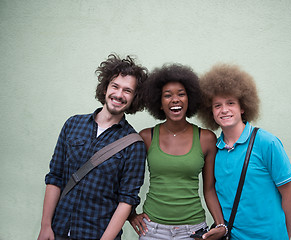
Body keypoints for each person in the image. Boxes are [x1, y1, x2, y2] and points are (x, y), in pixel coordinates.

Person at [37, 53, 148, 240]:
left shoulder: (134, 144)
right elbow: (55, 177)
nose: (119, 95)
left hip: (97, 234)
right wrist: (46, 226)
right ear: (105, 88)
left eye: (127, 91)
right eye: (115, 86)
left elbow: (126, 200)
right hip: (58, 230)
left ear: (134, 97)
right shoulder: (73, 124)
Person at [197, 64, 291, 240]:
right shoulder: (216, 150)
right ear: (211, 112)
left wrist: (284, 236)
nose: (224, 110)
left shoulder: (267, 143)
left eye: (231, 103)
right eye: (217, 105)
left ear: (242, 107)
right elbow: (211, 190)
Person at [128, 64, 227, 240]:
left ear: (190, 99)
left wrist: (220, 225)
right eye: (168, 95)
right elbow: (127, 182)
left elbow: (210, 189)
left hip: (193, 230)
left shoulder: (206, 139)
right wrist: (131, 215)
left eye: (181, 94)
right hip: (152, 230)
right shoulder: (146, 137)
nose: (175, 99)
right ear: (159, 103)